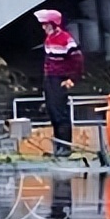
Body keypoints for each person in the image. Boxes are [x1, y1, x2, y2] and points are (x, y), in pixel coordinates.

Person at [35, 9, 83, 158]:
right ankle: (58, 146)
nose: (43, 27)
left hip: (60, 78)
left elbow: (78, 59)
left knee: (61, 114)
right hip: (49, 78)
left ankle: (65, 146)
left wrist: (71, 79)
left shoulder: (65, 39)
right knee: (53, 113)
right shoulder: (49, 39)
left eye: (46, 24)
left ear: (53, 24)